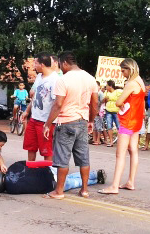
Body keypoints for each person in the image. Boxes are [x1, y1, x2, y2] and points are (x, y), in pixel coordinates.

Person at [43, 51, 98, 199]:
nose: (60, 68)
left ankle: (59, 191)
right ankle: (84, 190)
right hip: (82, 122)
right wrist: (91, 121)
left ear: (65, 62)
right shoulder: (90, 78)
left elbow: (58, 104)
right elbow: (94, 104)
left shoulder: (63, 80)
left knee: (62, 158)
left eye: (60, 65)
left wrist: (48, 124)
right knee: (83, 158)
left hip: (66, 123)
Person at [99, 58, 146, 194]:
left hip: (127, 120)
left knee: (120, 154)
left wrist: (122, 104)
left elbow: (119, 102)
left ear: (129, 69)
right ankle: (130, 181)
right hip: (137, 120)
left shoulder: (131, 83)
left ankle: (114, 186)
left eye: (123, 70)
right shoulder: (140, 82)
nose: (122, 73)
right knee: (133, 151)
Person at [21, 52, 59, 161]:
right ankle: (31, 172)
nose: (33, 66)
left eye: (35, 63)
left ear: (42, 64)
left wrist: (48, 123)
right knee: (31, 147)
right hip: (34, 119)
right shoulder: (39, 77)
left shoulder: (55, 80)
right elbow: (35, 97)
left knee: (46, 151)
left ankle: (48, 174)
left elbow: (57, 104)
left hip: (46, 122)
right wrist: (27, 111)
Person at [103, 80, 122, 147]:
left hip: (116, 111)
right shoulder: (106, 92)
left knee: (119, 126)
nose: (106, 87)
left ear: (110, 86)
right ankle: (111, 141)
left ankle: (120, 141)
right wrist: (105, 99)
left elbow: (122, 98)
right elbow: (103, 100)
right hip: (108, 111)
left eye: (107, 85)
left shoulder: (118, 92)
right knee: (109, 126)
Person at [92, 81, 106, 145]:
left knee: (99, 127)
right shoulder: (94, 93)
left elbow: (102, 103)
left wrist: (99, 111)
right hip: (94, 111)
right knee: (94, 127)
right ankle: (94, 139)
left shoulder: (100, 93)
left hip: (99, 112)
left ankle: (98, 140)